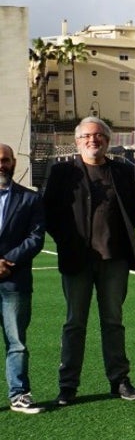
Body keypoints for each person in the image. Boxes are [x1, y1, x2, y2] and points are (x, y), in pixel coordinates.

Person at [42, 116, 135, 404]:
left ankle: (119, 380)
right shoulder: (63, 172)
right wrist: (69, 243)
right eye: (86, 136)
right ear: (77, 141)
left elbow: (132, 212)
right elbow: (50, 215)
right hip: (77, 260)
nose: (92, 140)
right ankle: (68, 385)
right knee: (75, 323)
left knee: (113, 321)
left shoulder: (122, 171)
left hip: (115, 261)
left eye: (98, 135)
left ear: (107, 141)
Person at [0, 143, 47, 414]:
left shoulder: (30, 199)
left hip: (15, 280)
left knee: (16, 341)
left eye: (6, 160)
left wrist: (8, 262)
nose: (1, 165)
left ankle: (19, 393)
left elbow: (36, 237)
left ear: (14, 163)